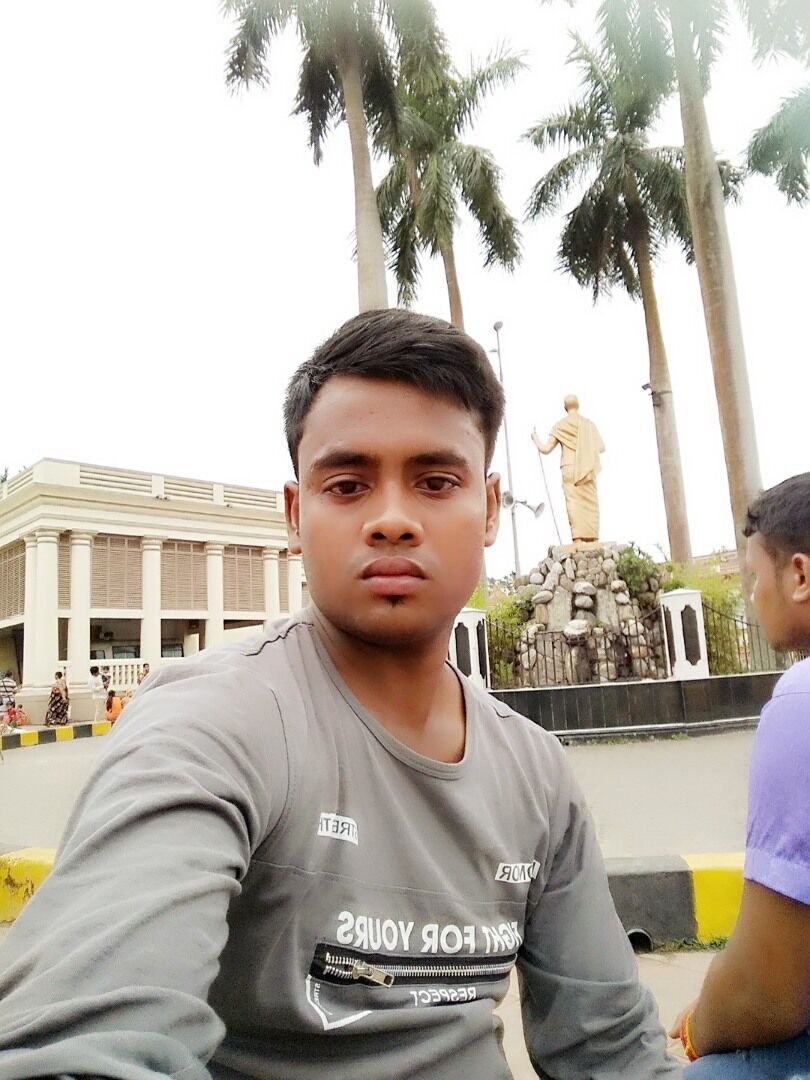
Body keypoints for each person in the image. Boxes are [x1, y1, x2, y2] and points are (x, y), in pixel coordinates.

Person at [0, 310, 679, 1079]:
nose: (392, 520)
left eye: (435, 482)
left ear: (489, 508)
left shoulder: (536, 773)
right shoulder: (213, 723)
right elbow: (86, 1040)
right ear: (297, 516)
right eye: (349, 485)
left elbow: (609, 1049)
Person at [670, 473, 810, 1076]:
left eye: (754, 576)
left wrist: (700, 1027)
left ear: (799, 576)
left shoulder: (801, 702)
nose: (753, 595)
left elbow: (765, 992)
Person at [531, 394, 605, 542]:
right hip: (587, 467)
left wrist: (535, 438)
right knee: (591, 501)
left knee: (573, 501)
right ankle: (593, 538)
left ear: (565, 407)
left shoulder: (560, 425)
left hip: (569, 467)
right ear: (578, 405)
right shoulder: (589, 425)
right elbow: (601, 447)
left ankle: (577, 538)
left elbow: (545, 449)